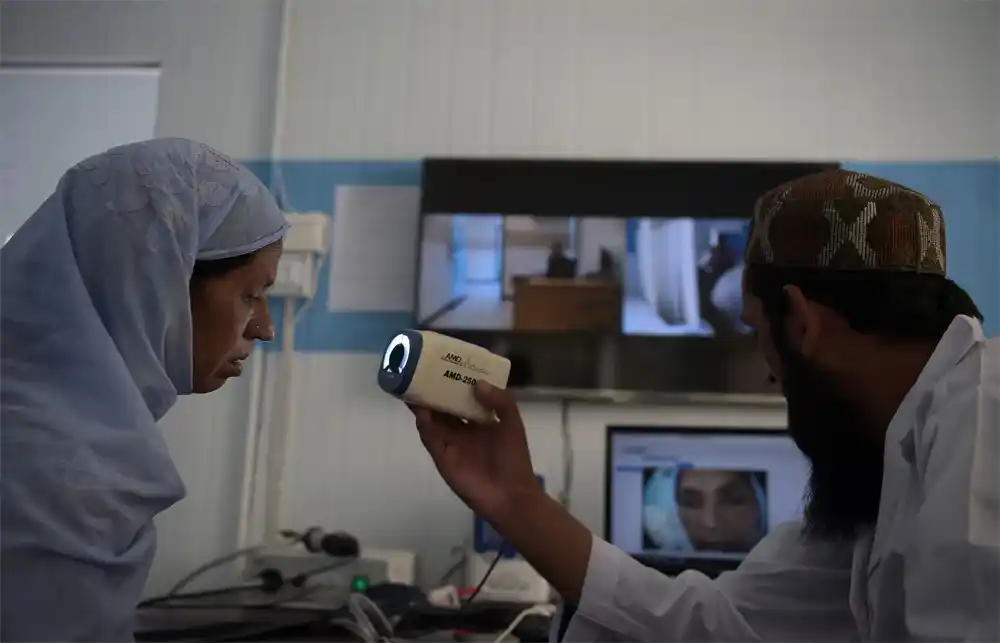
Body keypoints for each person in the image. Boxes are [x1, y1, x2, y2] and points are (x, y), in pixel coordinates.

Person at [411, 169, 999, 641]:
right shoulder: (885, 463)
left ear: (801, 321)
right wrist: (514, 501)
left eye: (754, 331)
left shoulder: (982, 417)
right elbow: (713, 620)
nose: (770, 372)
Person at [0, 139, 288, 640]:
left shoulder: (39, 418)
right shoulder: (64, 469)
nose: (264, 328)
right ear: (162, 284)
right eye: (252, 295)